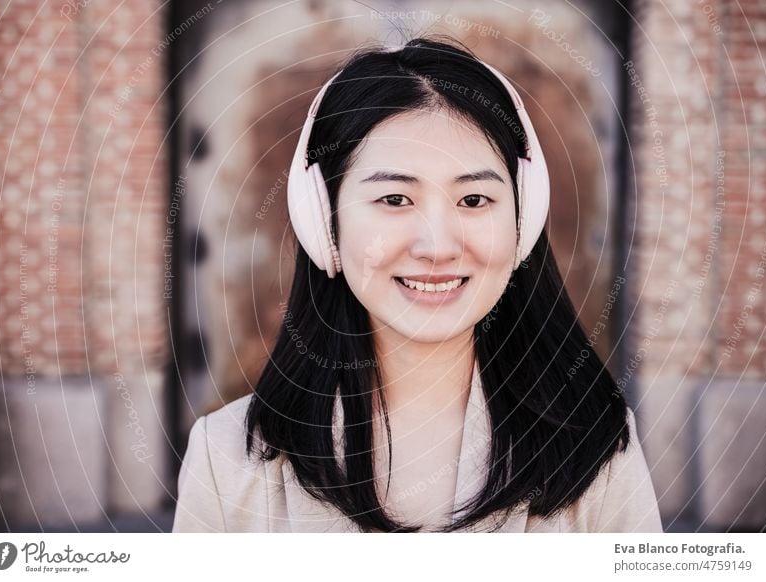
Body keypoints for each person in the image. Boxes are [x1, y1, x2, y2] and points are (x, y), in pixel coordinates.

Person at [172, 36, 663, 533]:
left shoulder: (594, 442)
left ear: (524, 220)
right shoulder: (225, 460)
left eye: (473, 200)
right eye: (394, 199)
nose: (437, 246)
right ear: (323, 220)